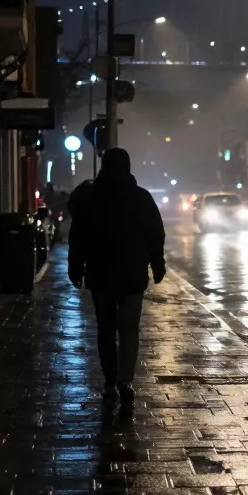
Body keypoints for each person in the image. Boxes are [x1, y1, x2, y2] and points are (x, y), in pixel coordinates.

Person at [67, 148, 166, 406]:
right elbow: (155, 234)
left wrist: (75, 267)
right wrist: (157, 264)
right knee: (129, 328)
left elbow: (78, 237)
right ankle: (125, 380)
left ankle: (110, 381)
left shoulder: (91, 198)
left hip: (101, 274)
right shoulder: (140, 198)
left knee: (106, 330)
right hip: (132, 274)